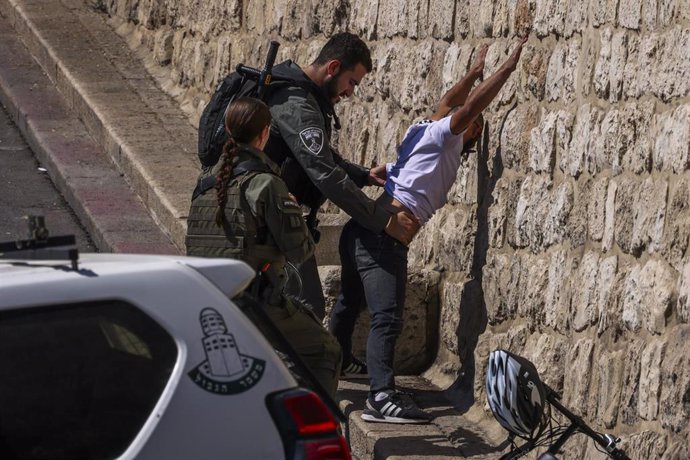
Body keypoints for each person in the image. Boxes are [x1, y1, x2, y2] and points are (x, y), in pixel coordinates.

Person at [328, 37, 528, 423]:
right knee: (386, 318)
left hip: (363, 229)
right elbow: (465, 106)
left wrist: (471, 73)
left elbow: (451, 101)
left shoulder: (425, 129)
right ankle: (381, 398)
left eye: (474, 127)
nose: (472, 125)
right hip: (384, 237)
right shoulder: (442, 134)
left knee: (348, 303)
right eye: (472, 124)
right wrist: (505, 68)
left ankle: (335, 365)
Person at [186, 97, 342, 397]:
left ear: (229, 131)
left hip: (207, 303)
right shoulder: (266, 184)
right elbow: (301, 251)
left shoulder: (205, 181)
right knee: (324, 350)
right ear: (265, 134)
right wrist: (294, 213)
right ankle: (312, 433)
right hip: (254, 305)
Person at [263, 32, 419, 324]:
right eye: (352, 82)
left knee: (291, 313)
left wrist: (363, 175)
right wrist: (383, 221)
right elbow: (324, 173)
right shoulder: (298, 104)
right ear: (333, 67)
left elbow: (313, 154)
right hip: (273, 222)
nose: (350, 92)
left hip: (278, 218)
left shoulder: (304, 98)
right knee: (304, 312)